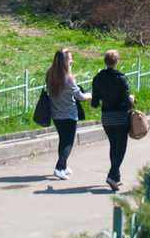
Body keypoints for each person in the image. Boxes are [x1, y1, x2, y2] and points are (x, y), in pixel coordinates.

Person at [90, 49, 133, 191]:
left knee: (113, 146)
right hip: (120, 117)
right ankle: (112, 174)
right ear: (117, 62)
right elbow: (126, 102)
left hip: (106, 118)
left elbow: (95, 103)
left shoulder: (97, 78)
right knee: (121, 148)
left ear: (105, 61)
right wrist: (131, 99)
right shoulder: (121, 78)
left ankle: (117, 177)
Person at [46, 47, 91, 180]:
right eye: (70, 59)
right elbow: (80, 97)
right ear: (65, 61)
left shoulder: (50, 73)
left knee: (62, 140)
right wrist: (89, 95)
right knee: (68, 143)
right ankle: (59, 168)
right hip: (69, 115)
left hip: (55, 113)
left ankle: (64, 166)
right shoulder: (68, 79)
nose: (71, 61)